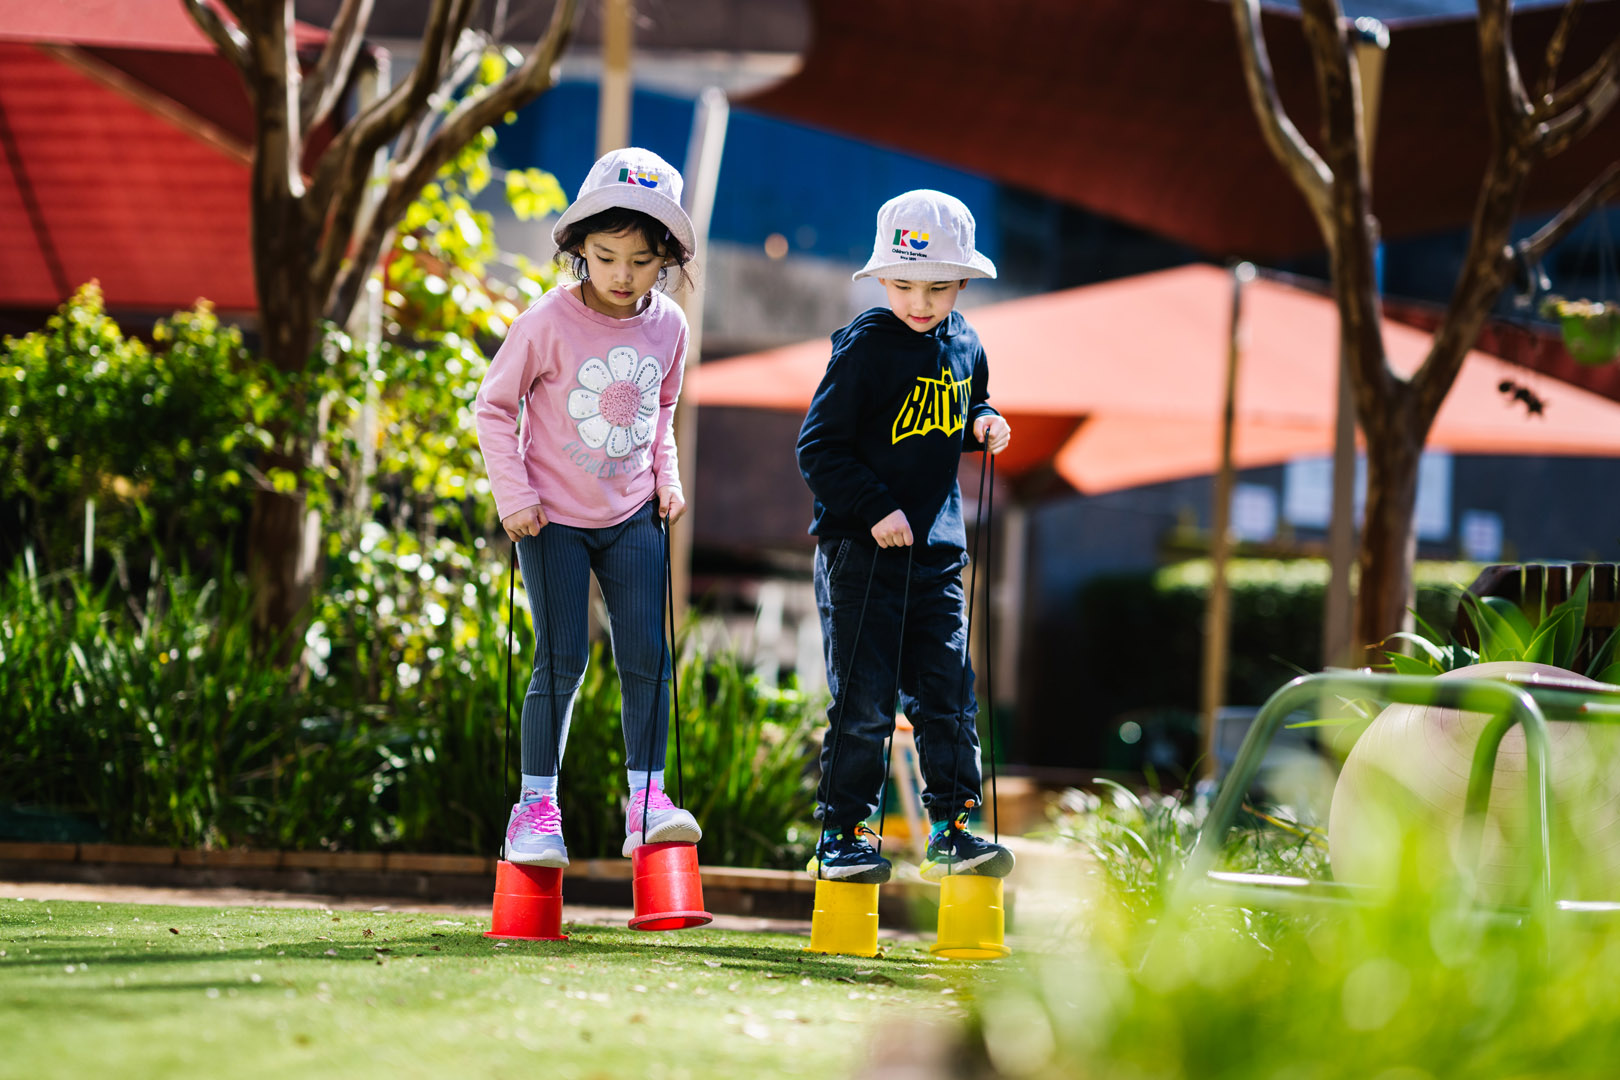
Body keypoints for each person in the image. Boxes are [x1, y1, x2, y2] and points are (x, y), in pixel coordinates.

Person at [474, 147, 699, 868]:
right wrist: (515, 497)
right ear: (578, 250)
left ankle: (646, 803)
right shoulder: (546, 320)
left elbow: (663, 410)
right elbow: (492, 407)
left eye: (639, 260)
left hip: (632, 512)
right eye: (605, 257)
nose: (622, 275)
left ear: (664, 256)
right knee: (562, 659)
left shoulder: (669, 326)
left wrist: (665, 478)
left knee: (647, 657)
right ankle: (534, 810)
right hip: (551, 520)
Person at [797, 189, 1017, 885]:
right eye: (904, 284)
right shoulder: (864, 348)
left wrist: (985, 422)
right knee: (864, 702)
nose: (920, 301)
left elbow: (966, 402)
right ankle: (844, 836)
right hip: (860, 554)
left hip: (939, 556)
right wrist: (875, 509)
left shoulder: (967, 344)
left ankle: (954, 830)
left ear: (962, 284)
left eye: (939, 287)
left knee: (949, 693)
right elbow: (819, 449)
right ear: (882, 279)